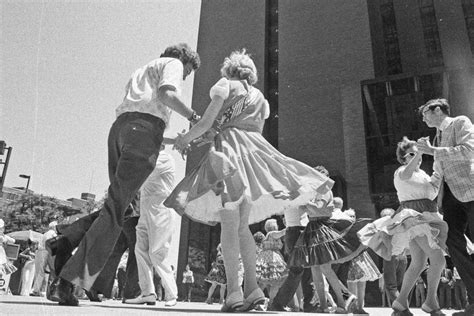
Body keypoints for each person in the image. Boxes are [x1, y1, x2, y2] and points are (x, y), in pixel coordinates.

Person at [165, 49, 334, 312]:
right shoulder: (261, 99)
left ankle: (233, 292)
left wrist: (184, 140)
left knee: (229, 223)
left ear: (229, 70)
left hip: (228, 157)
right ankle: (253, 290)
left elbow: (209, 121)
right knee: (241, 226)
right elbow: (247, 130)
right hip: (255, 157)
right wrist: (208, 135)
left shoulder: (224, 85)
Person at [46, 43, 200, 306]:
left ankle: (68, 238)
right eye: (188, 71)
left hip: (121, 130)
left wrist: (180, 141)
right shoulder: (172, 64)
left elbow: (143, 117)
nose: (185, 76)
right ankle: (68, 279)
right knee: (118, 210)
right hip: (144, 133)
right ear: (183, 60)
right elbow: (166, 95)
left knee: (120, 207)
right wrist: (194, 117)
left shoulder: (143, 70)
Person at [360, 136, 448, 316]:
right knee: (438, 259)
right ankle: (431, 301)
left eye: (419, 154)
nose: (419, 157)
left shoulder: (422, 174)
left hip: (427, 214)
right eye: (413, 154)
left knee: (419, 262)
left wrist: (438, 169)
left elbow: (431, 192)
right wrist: (420, 151)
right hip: (413, 216)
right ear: (404, 157)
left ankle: (400, 303)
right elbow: (407, 174)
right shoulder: (400, 172)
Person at [416, 98, 474, 316]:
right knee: (451, 240)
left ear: (438, 110)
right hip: (450, 195)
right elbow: (438, 171)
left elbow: (468, 150)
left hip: (471, 189)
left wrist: (434, 151)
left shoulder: (461, 122)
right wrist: (422, 187)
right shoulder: (437, 136)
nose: (423, 118)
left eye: (425, 113)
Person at [124, 147, 178, 307]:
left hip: (161, 210)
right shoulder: (147, 156)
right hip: (146, 210)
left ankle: (171, 294)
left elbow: (140, 172)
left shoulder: (164, 158)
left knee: (157, 252)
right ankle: (147, 293)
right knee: (140, 250)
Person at [345, 208, 382, 315]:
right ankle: (353, 307)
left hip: (361, 257)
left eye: (353, 216)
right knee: (351, 283)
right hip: (350, 258)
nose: (351, 218)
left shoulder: (359, 227)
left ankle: (360, 307)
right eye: (349, 216)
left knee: (362, 283)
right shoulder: (344, 230)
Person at [255, 218, 287, 307]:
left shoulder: (267, 235)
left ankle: (256, 301)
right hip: (272, 258)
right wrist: (288, 224)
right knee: (275, 282)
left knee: (264, 282)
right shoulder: (272, 234)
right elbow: (283, 232)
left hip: (266, 257)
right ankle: (271, 302)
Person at [380, 208, 408, 306]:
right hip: (402, 257)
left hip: (391, 256)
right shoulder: (400, 225)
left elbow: (383, 235)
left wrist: (389, 250)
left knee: (391, 286)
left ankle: (403, 307)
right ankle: (398, 309)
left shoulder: (385, 225)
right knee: (399, 285)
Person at [31, 221, 57, 297]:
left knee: (39, 271)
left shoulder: (46, 233)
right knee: (42, 272)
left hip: (40, 251)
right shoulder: (52, 234)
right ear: (54, 227)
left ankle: (37, 289)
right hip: (45, 251)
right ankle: (37, 290)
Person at [0, 219, 17, 294]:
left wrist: (4, 236)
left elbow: (13, 241)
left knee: (1, 271)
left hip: (1, 254)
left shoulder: (3, 236)